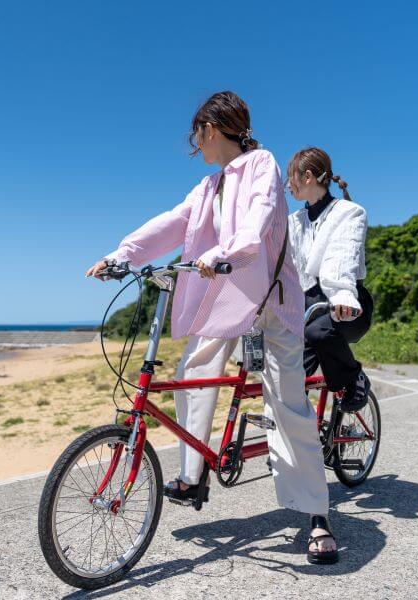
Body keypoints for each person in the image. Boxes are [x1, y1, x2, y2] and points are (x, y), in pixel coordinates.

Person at [86, 92, 339, 564]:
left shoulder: (260, 164)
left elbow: (260, 218)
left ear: (213, 127)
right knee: (192, 373)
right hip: (227, 295)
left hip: (271, 299)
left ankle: (316, 515)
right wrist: (123, 255)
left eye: (196, 133)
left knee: (286, 402)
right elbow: (173, 223)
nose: (194, 143)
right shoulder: (209, 187)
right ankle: (194, 472)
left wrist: (225, 254)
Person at [286, 147, 373, 411]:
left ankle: (353, 378)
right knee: (287, 375)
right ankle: (308, 441)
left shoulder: (349, 212)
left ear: (308, 177)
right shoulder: (293, 221)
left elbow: (341, 257)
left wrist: (341, 294)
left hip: (347, 303)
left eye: (291, 178)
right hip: (308, 307)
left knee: (319, 331)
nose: (288, 185)